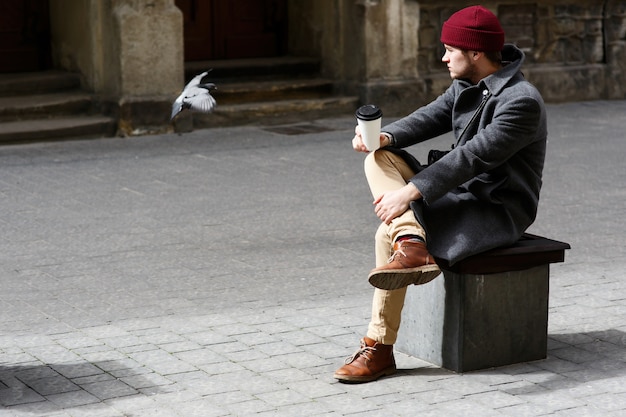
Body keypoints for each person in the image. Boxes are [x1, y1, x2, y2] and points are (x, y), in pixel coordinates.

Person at [334, 5, 547, 383]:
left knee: (385, 233)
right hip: (459, 192)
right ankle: (412, 238)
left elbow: (473, 156)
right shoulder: (470, 82)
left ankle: (379, 348)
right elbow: (432, 114)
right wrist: (386, 136)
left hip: (493, 207)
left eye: (451, 50)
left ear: (476, 53)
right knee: (378, 158)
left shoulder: (521, 101)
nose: (443, 57)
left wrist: (410, 193)